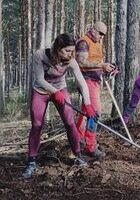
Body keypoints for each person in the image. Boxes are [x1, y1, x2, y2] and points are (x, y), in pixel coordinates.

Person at [22, 33, 96, 179]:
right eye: (67, 50)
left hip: (60, 90)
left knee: (70, 123)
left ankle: (78, 156)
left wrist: (88, 104)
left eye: (72, 51)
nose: (71, 54)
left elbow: (81, 81)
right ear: (57, 48)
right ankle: (31, 162)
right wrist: (54, 92)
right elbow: (39, 79)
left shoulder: (71, 61)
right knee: (37, 125)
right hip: (40, 91)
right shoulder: (40, 55)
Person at [75, 21, 118, 159]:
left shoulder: (97, 42)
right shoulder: (83, 42)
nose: (101, 37)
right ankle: (90, 146)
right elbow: (81, 62)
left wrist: (107, 68)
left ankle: (78, 140)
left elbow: (96, 62)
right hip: (86, 80)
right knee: (95, 112)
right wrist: (101, 65)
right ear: (93, 29)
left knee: (85, 112)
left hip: (95, 80)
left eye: (103, 35)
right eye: (100, 33)